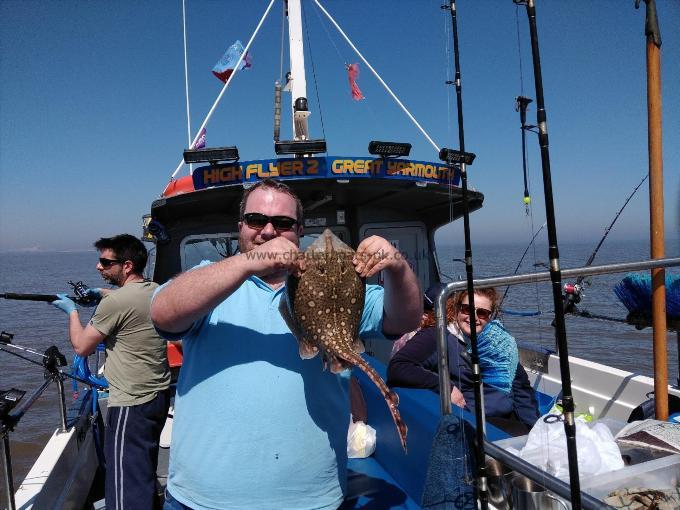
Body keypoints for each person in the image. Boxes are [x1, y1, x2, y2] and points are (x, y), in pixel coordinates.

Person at [150, 178, 422, 510]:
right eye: (256, 220)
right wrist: (249, 262)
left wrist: (396, 266)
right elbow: (163, 313)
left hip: (311, 501)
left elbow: (405, 320)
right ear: (240, 226)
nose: (268, 231)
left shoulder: (334, 283)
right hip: (201, 501)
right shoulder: (211, 280)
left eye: (282, 223)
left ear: (298, 231)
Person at [52, 234, 171, 510]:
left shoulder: (115, 304)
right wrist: (103, 292)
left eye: (105, 262)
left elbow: (82, 346)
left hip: (130, 404)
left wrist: (71, 312)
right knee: (142, 470)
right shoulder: (156, 290)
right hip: (157, 397)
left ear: (126, 266)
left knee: (124, 484)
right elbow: (130, 298)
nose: (98, 267)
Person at [387, 287, 539, 435]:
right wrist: (445, 387)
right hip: (475, 422)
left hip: (510, 416)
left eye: (482, 313)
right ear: (457, 309)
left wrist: (533, 428)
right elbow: (398, 366)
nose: (473, 317)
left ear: (490, 316)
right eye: (467, 309)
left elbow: (521, 388)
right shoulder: (437, 337)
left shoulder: (499, 343)